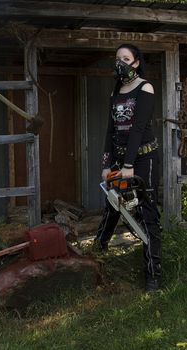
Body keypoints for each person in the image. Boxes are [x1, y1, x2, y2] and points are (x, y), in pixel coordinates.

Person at [93, 43, 162, 292]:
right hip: (120, 161)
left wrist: (130, 165)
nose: (120, 62)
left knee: (147, 213)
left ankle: (153, 276)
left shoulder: (145, 87)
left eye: (125, 58)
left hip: (144, 159)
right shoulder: (116, 92)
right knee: (112, 207)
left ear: (135, 63)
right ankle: (94, 260)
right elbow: (110, 131)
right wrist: (107, 165)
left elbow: (138, 128)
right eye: (117, 58)